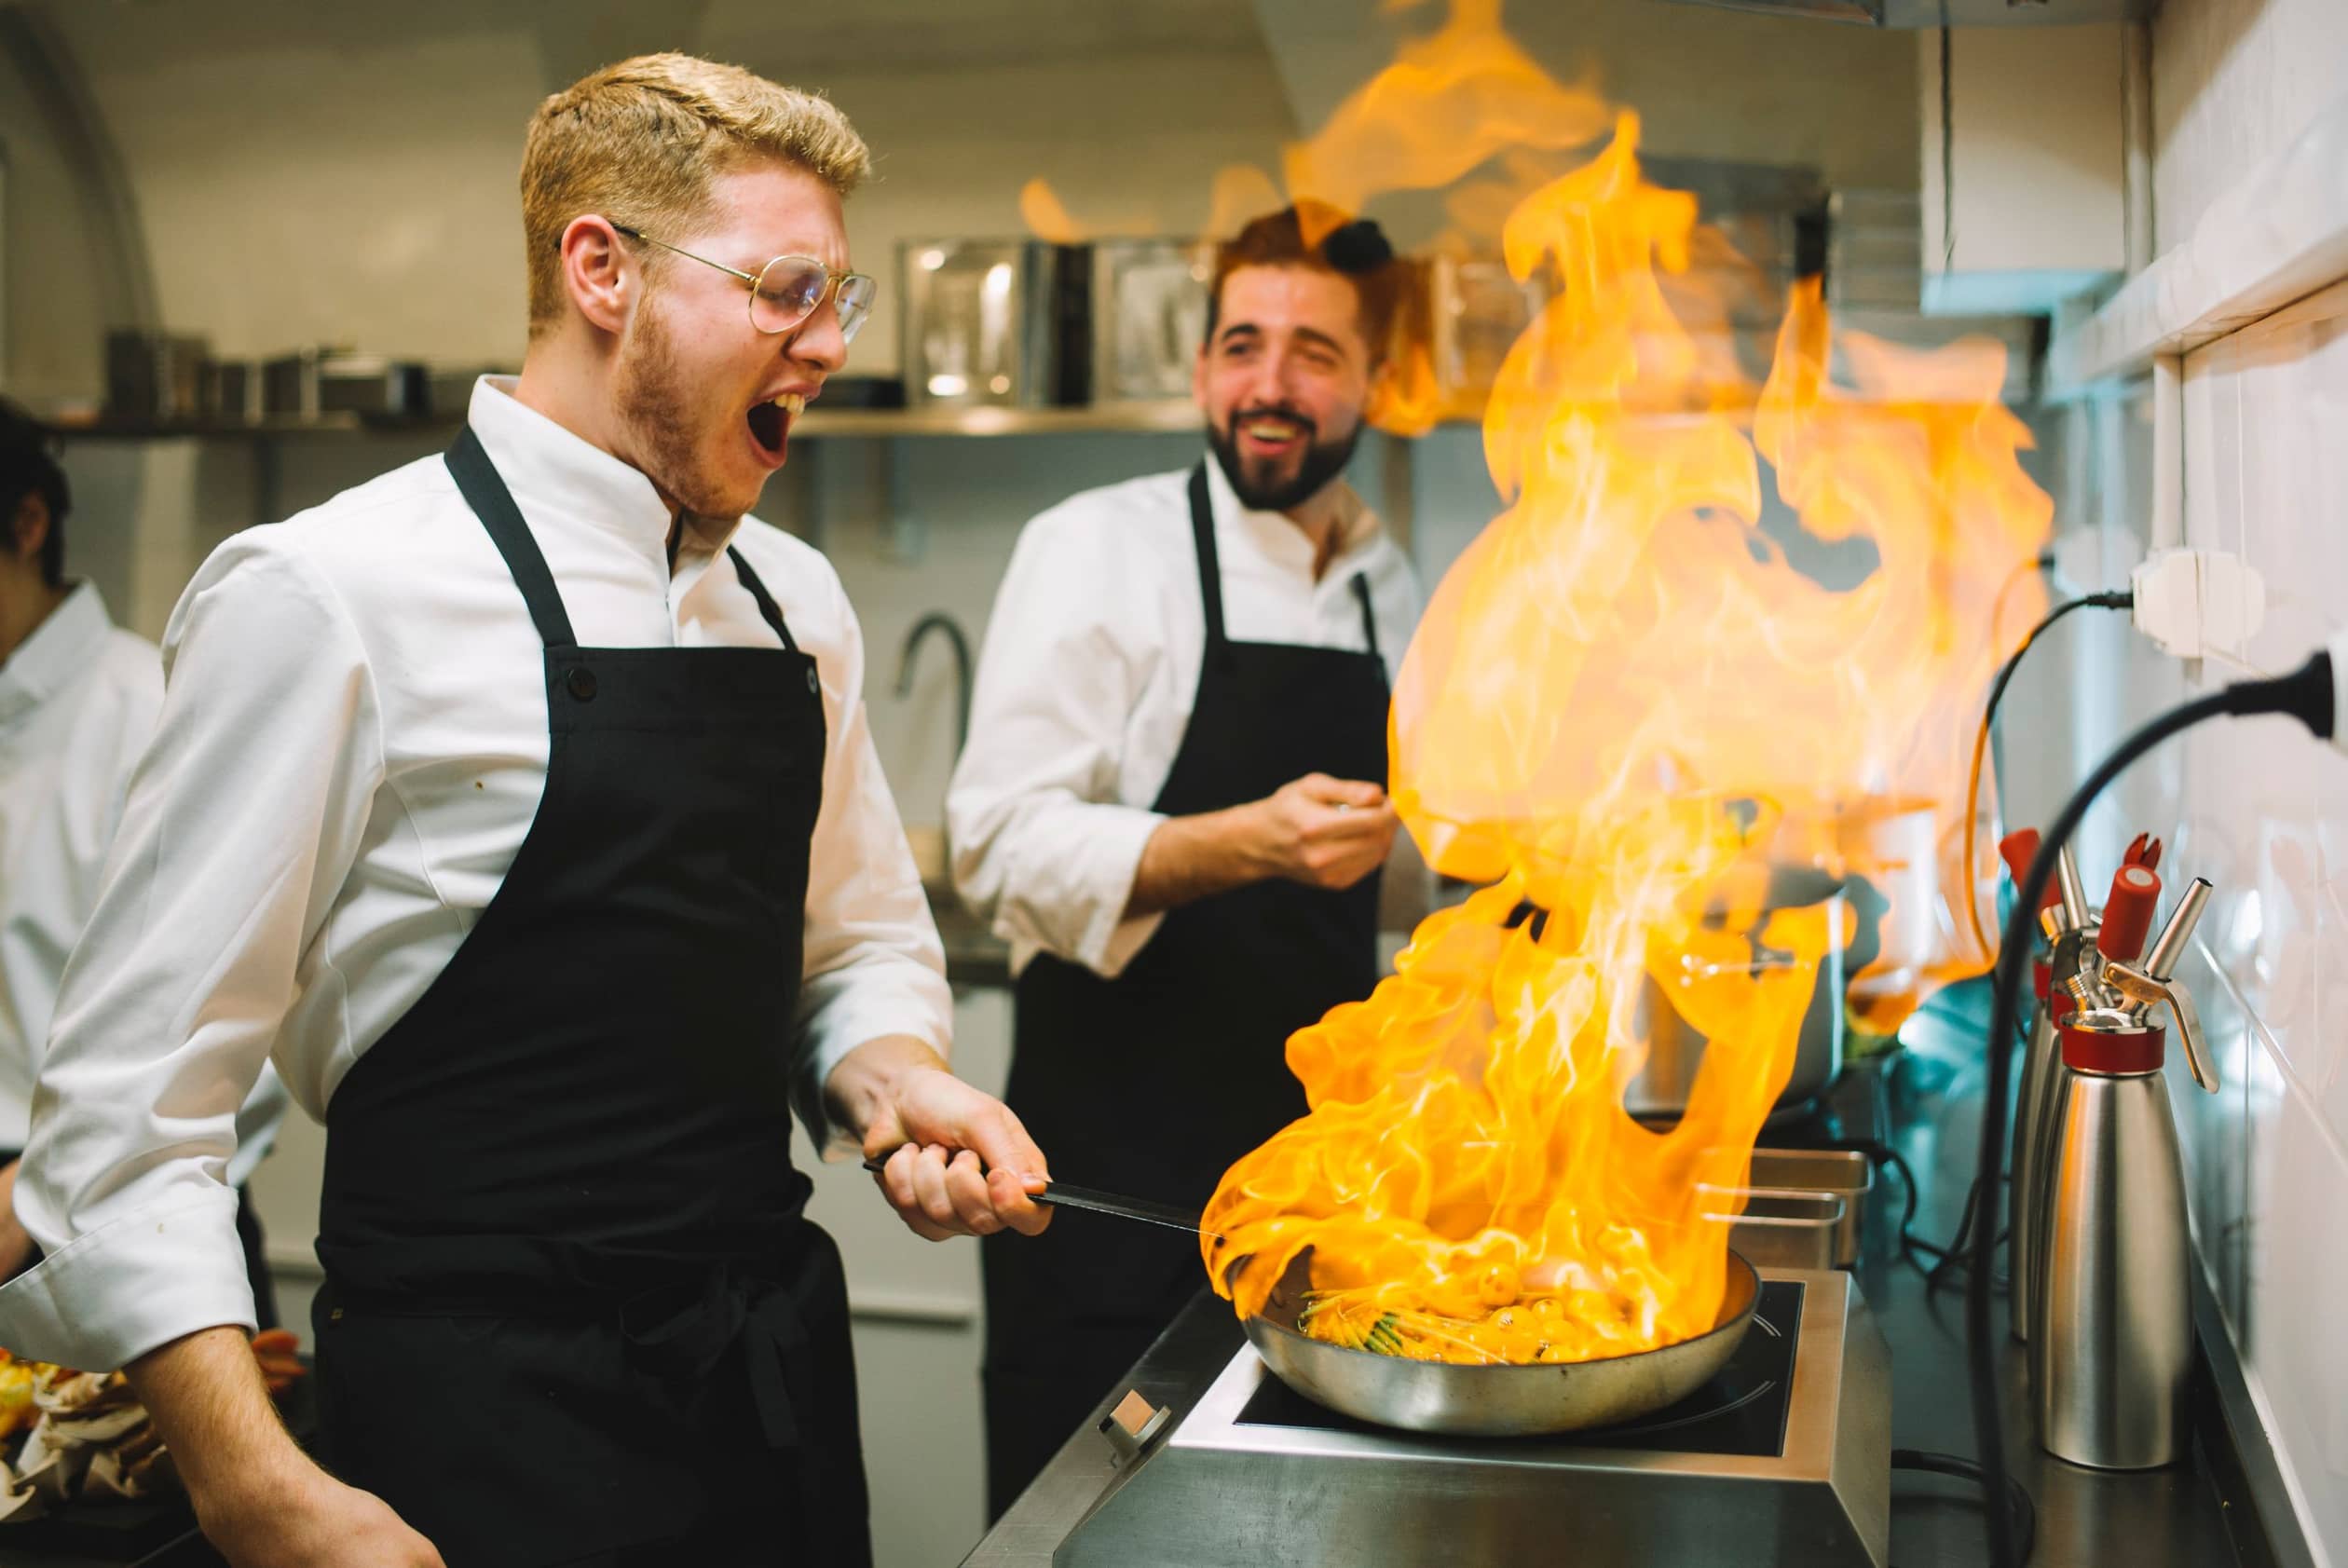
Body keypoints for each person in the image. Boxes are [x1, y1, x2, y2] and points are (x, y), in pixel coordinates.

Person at [0, 55, 1049, 1568]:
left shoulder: (793, 603)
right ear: (601, 268)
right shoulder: (328, 595)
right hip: (469, 1429)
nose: (823, 347)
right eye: (785, 291)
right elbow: (128, 1117)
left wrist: (892, 1079)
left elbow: (854, 941)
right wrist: (256, 1485)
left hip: (770, 1416)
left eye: (841, 301)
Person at [948, 204, 1425, 1516]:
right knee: (1090, 1530)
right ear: (1206, 363)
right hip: (1106, 1193)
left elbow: (1399, 896)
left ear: (1376, 376)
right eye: (1240, 343)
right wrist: (1242, 841)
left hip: (1312, 1209)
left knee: (1292, 1531)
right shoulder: (1097, 548)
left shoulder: (1393, 581)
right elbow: (993, 841)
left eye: (1314, 351)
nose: (1270, 386)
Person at [0, 400, 288, 1310]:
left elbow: (261, 1029)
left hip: (127, 1236)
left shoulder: (155, 712)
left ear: (29, 522)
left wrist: (47, 1183)